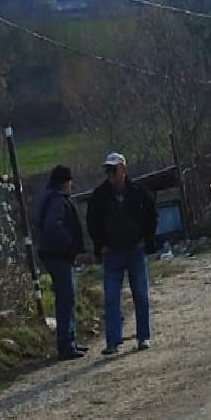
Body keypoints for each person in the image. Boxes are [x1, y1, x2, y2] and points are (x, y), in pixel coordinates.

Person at [87, 152, 157, 356]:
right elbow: (92, 222)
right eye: (107, 170)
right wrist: (100, 245)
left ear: (123, 169)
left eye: (113, 169)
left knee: (141, 295)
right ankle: (112, 341)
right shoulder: (99, 195)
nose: (110, 173)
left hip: (135, 249)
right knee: (110, 297)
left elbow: (151, 214)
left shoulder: (139, 191)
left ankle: (143, 336)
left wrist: (147, 238)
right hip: (112, 253)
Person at [35, 165, 87, 360]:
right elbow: (52, 227)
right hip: (59, 256)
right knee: (67, 299)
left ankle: (69, 342)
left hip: (52, 255)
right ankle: (66, 345)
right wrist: (70, 243)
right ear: (66, 181)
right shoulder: (58, 201)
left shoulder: (48, 198)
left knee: (66, 299)